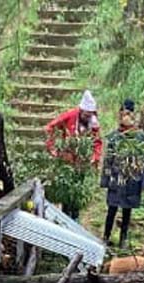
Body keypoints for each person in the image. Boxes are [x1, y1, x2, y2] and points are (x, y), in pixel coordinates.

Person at [44, 90, 104, 219]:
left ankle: (75, 218)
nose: (88, 117)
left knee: (77, 190)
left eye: (90, 115)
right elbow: (50, 127)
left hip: (82, 162)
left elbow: (98, 142)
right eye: (86, 115)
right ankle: (65, 217)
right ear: (81, 111)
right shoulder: (70, 115)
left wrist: (95, 157)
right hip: (67, 160)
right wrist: (52, 148)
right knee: (67, 190)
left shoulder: (93, 123)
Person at [100, 99, 144, 248]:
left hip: (131, 179)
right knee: (112, 208)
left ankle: (123, 238)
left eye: (129, 115)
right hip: (116, 178)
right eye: (123, 115)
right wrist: (105, 179)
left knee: (127, 210)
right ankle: (106, 236)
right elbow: (108, 159)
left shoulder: (139, 137)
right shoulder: (114, 136)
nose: (126, 117)